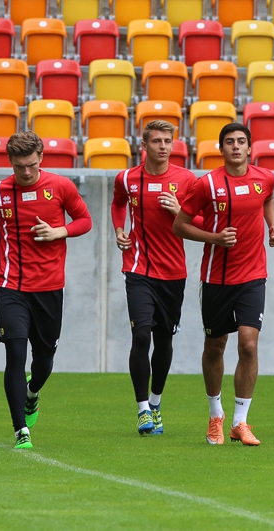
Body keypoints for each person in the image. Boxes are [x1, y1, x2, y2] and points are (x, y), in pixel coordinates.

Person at [0, 132, 92, 449]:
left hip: (49, 289)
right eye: (19, 166)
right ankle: (20, 430)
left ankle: (33, 392)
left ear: (41, 158)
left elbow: (84, 220)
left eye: (31, 165)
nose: (25, 172)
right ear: (10, 162)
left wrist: (59, 231)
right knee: (15, 353)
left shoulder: (61, 187)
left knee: (44, 362)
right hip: (10, 286)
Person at [173, 123, 274, 446]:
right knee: (215, 346)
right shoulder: (206, 184)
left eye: (241, 141)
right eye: (230, 142)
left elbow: (268, 198)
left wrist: (272, 226)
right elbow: (180, 225)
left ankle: (240, 422)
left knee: (248, 344)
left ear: (250, 147)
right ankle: (215, 414)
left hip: (253, 276)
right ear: (221, 149)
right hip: (216, 278)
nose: (236, 146)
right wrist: (214, 238)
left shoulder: (266, 178)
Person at [112, 121, 196, 436]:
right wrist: (119, 230)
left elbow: (203, 220)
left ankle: (156, 402)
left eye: (167, 141)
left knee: (164, 340)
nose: (162, 146)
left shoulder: (187, 180)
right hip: (138, 269)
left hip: (173, 273)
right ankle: (142, 410)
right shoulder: (127, 178)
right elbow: (118, 203)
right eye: (156, 141)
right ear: (144, 145)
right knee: (140, 335)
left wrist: (179, 210)